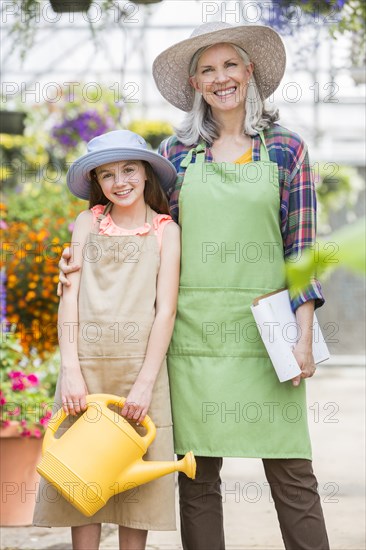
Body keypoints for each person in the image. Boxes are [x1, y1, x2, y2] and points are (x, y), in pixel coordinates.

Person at [59, 22, 330, 550]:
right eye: (208, 69)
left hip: (265, 335)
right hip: (192, 336)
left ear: (250, 73)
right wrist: (79, 259)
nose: (221, 78)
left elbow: (302, 254)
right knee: (197, 479)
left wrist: (303, 336)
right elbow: (146, 234)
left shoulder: (285, 149)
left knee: (292, 474)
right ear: (195, 83)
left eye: (230, 65)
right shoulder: (177, 155)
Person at [33, 130, 180, 550]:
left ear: (146, 172)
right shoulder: (87, 222)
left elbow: (165, 311)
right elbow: (71, 297)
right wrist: (71, 370)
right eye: (107, 174)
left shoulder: (165, 232)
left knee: (138, 493)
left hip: (141, 371)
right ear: (96, 183)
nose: (120, 182)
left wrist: (146, 382)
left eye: (129, 169)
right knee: (83, 483)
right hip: (88, 370)